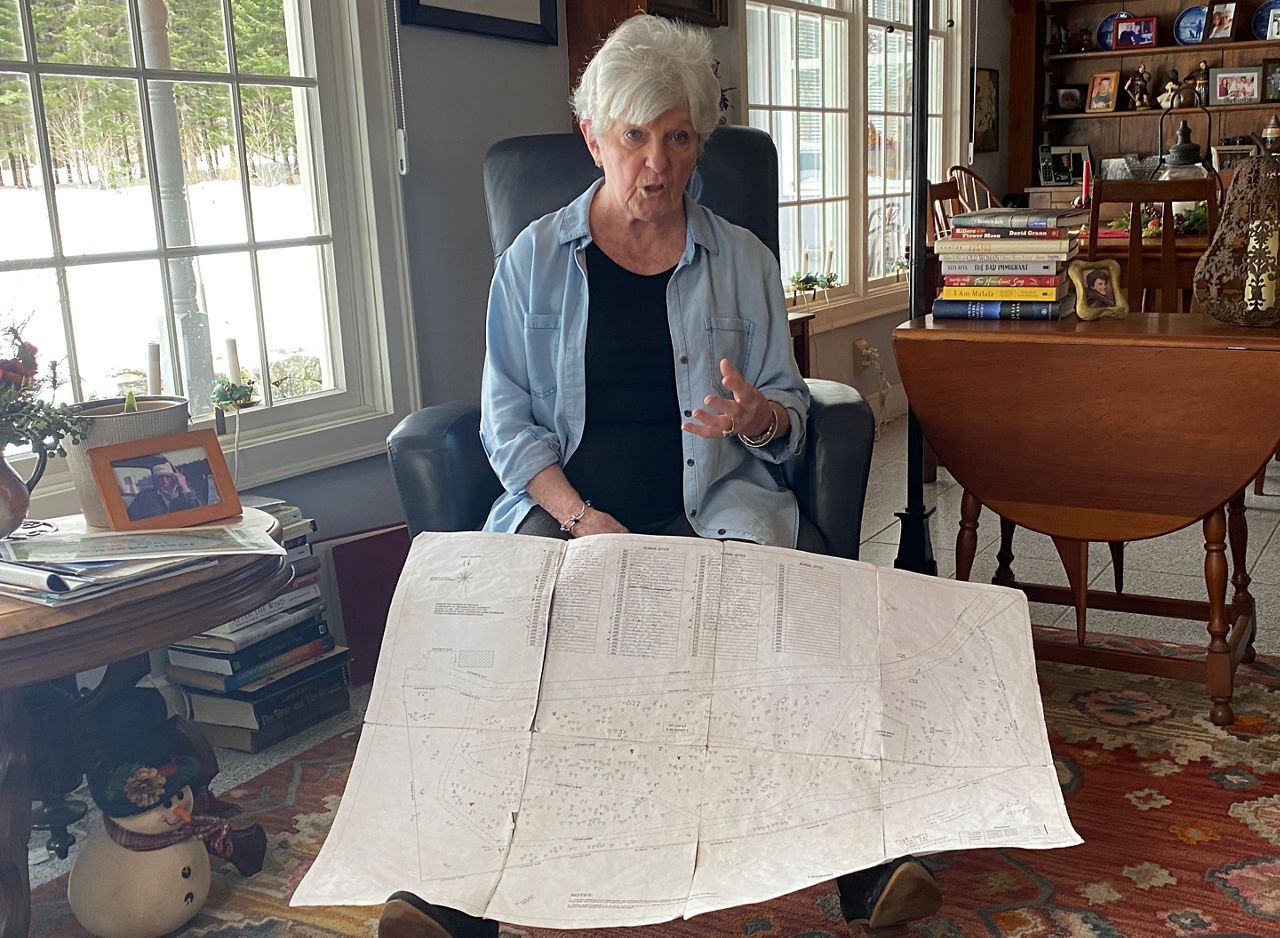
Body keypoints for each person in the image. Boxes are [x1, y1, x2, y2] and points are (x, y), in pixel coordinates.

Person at [378, 14, 942, 938]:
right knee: (492, 652)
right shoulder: (531, 264)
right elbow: (507, 422)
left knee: (803, 630)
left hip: (716, 509)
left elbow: (791, 416)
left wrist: (761, 416)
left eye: (678, 136)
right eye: (635, 136)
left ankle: (866, 873)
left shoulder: (746, 265)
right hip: (567, 516)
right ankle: (451, 901)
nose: (657, 161)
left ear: (698, 144)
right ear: (594, 138)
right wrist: (575, 516)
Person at [125, 460, 201, 520]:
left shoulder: (187, 496)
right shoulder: (144, 497)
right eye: (160, 478)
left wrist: (184, 486)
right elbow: (129, 519)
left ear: (175, 478)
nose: (164, 482)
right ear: (155, 481)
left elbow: (198, 514)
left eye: (167, 477)